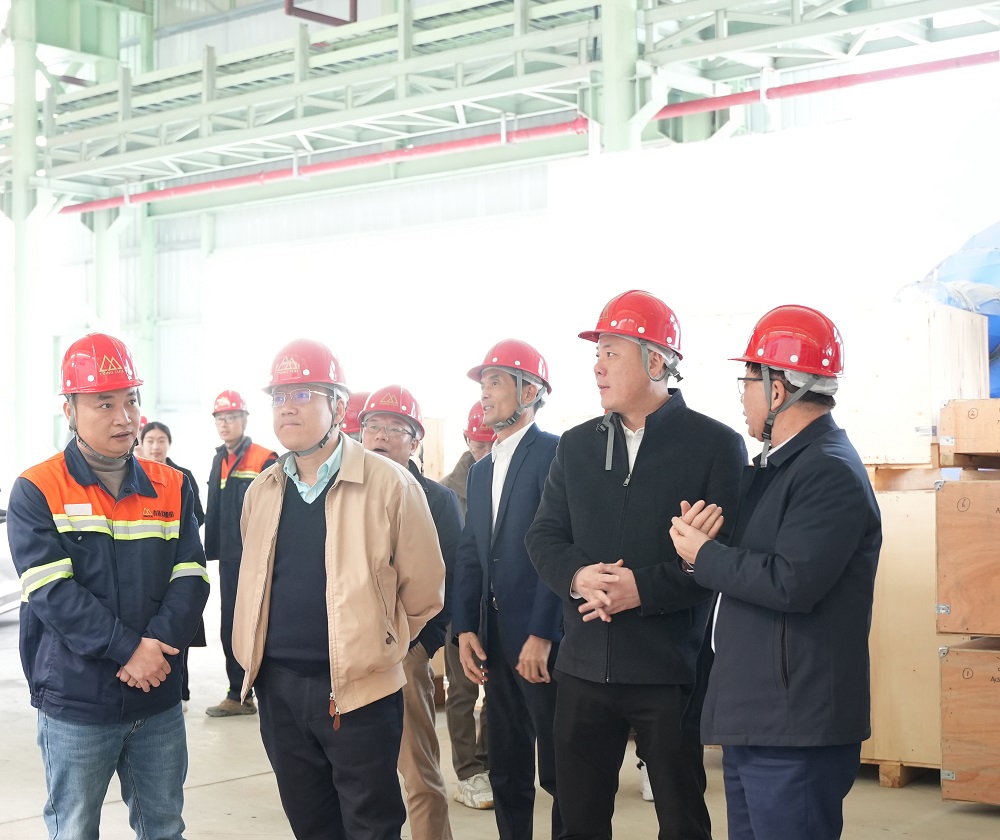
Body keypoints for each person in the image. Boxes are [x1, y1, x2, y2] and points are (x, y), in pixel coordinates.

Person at [526, 290, 747, 840]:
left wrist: (641, 590)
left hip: (668, 670)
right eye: (596, 354)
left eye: (611, 353)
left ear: (655, 362)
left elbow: (723, 559)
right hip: (582, 667)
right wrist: (579, 577)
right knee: (576, 821)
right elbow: (544, 535)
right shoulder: (576, 446)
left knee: (681, 818)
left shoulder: (716, 446)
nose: (597, 367)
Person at [668, 305, 881, 840]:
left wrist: (705, 555)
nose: (742, 396)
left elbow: (792, 581)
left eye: (747, 382)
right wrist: (702, 549)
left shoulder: (828, 471)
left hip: (794, 725)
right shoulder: (780, 466)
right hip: (760, 716)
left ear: (778, 389)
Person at [231, 339, 446, 840]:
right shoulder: (262, 491)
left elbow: (424, 591)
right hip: (279, 691)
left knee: (371, 825)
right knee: (310, 824)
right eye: (279, 396)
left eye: (303, 394)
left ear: (339, 405)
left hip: (359, 693)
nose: (287, 406)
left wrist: (379, 647)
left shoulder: (391, 486)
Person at [6, 333, 209, 840]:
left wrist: (155, 648)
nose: (124, 417)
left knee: (165, 827)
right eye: (105, 403)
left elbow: (191, 573)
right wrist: (129, 651)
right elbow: (52, 592)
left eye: (131, 400)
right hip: (77, 701)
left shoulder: (172, 485)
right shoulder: (37, 488)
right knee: (74, 829)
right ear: (69, 410)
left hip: (157, 696)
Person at [452, 338, 563, 840]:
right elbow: (470, 554)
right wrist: (465, 629)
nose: (484, 393)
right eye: (483, 383)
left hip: (543, 643)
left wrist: (543, 632)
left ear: (530, 391)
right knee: (507, 765)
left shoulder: (555, 454)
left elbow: (561, 549)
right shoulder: (481, 472)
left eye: (495, 381)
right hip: (494, 642)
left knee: (560, 769)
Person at [360, 384, 460, 840]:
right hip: (348, 650)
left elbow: (450, 577)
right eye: (372, 426)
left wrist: (420, 647)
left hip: (405, 651)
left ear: (415, 441)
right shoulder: (343, 493)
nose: (380, 436)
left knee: (419, 772)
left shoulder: (436, 499)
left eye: (394, 428)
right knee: (357, 772)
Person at [204, 389, 277, 717]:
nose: (225, 424)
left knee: (263, 623)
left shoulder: (264, 459)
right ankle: (239, 693)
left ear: (245, 420)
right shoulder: (219, 459)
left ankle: (266, 691)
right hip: (230, 559)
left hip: (258, 558)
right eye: (220, 418)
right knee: (230, 624)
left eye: (232, 417)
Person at [440, 402, 495, 810]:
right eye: (478, 445)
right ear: (466, 440)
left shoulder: (511, 479)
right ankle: (468, 771)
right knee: (462, 690)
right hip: (460, 606)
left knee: (498, 690)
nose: (485, 453)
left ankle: (490, 761)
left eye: (491, 444)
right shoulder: (446, 492)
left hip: (499, 606)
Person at [140, 420, 207, 710]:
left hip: (175, 559)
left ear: (169, 444)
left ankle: (181, 692)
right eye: (150, 441)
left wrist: (169, 531)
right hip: (146, 565)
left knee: (179, 629)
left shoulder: (182, 476)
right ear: (141, 444)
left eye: (161, 441)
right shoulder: (134, 476)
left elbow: (197, 515)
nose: (156, 446)